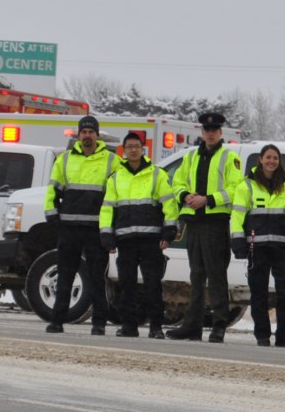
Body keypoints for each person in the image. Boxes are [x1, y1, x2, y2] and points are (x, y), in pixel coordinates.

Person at [166, 112, 242, 343]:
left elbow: (236, 188)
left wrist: (208, 199)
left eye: (214, 130)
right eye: (206, 130)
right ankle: (192, 326)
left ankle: (219, 326)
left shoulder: (229, 158)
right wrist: (185, 196)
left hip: (215, 223)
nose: (210, 134)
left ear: (220, 133)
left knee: (216, 277)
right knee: (196, 276)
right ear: (203, 132)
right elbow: (176, 181)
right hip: (194, 223)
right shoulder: (191, 157)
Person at [44, 115, 122, 335]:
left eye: (91, 132)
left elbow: (118, 193)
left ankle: (99, 323)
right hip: (69, 228)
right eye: (84, 132)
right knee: (65, 276)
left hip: (97, 229)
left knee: (98, 278)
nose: (87, 135)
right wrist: (53, 217)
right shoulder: (65, 159)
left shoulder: (111, 160)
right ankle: (57, 321)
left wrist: (112, 226)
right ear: (79, 135)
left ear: (97, 135)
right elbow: (52, 190)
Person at [99, 132, 178, 339]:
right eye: (129, 146)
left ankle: (156, 327)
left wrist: (168, 232)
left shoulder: (157, 174)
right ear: (123, 151)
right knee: (127, 285)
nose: (133, 150)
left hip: (151, 240)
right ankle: (129, 326)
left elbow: (169, 205)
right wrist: (107, 235)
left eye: (137, 146)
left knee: (153, 284)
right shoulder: (115, 178)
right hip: (125, 240)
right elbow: (107, 209)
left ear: (143, 149)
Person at [230, 144, 285, 347]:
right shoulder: (247, 185)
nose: (272, 161)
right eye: (268, 157)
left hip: (283, 247)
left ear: (279, 161)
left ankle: (284, 335)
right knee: (259, 293)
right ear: (261, 159)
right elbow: (237, 216)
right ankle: (262, 335)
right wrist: (238, 242)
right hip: (257, 248)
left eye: (275, 158)